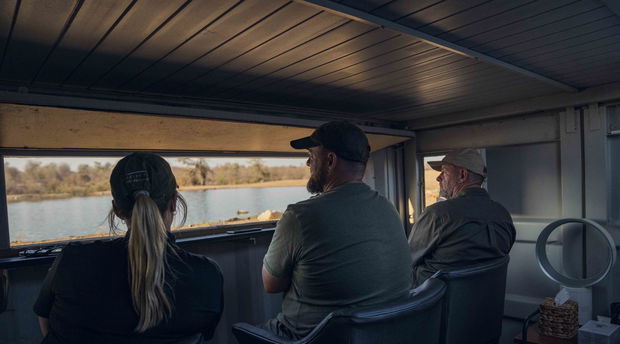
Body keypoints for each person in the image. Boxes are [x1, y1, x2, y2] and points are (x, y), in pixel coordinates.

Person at [33, 153, 223, 343]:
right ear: (174, 202)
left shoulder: (72, 260)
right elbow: (202, 334)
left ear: (117, 210)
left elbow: (46, 322)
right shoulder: (207, 275)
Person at [261, 121, 413, 340]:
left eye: (312, 156)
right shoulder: (388, 207)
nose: (307, 163)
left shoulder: (300, 216)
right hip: (385, 334)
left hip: (310, 337)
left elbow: (271, 284)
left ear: (330, 160)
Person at [409, 148, 516, 287]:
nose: (438, 177)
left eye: (444, 171)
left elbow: (407, 260)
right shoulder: (503, 214)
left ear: (462, 175)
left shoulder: (438, 214)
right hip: (484, 301)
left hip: (434, 303)